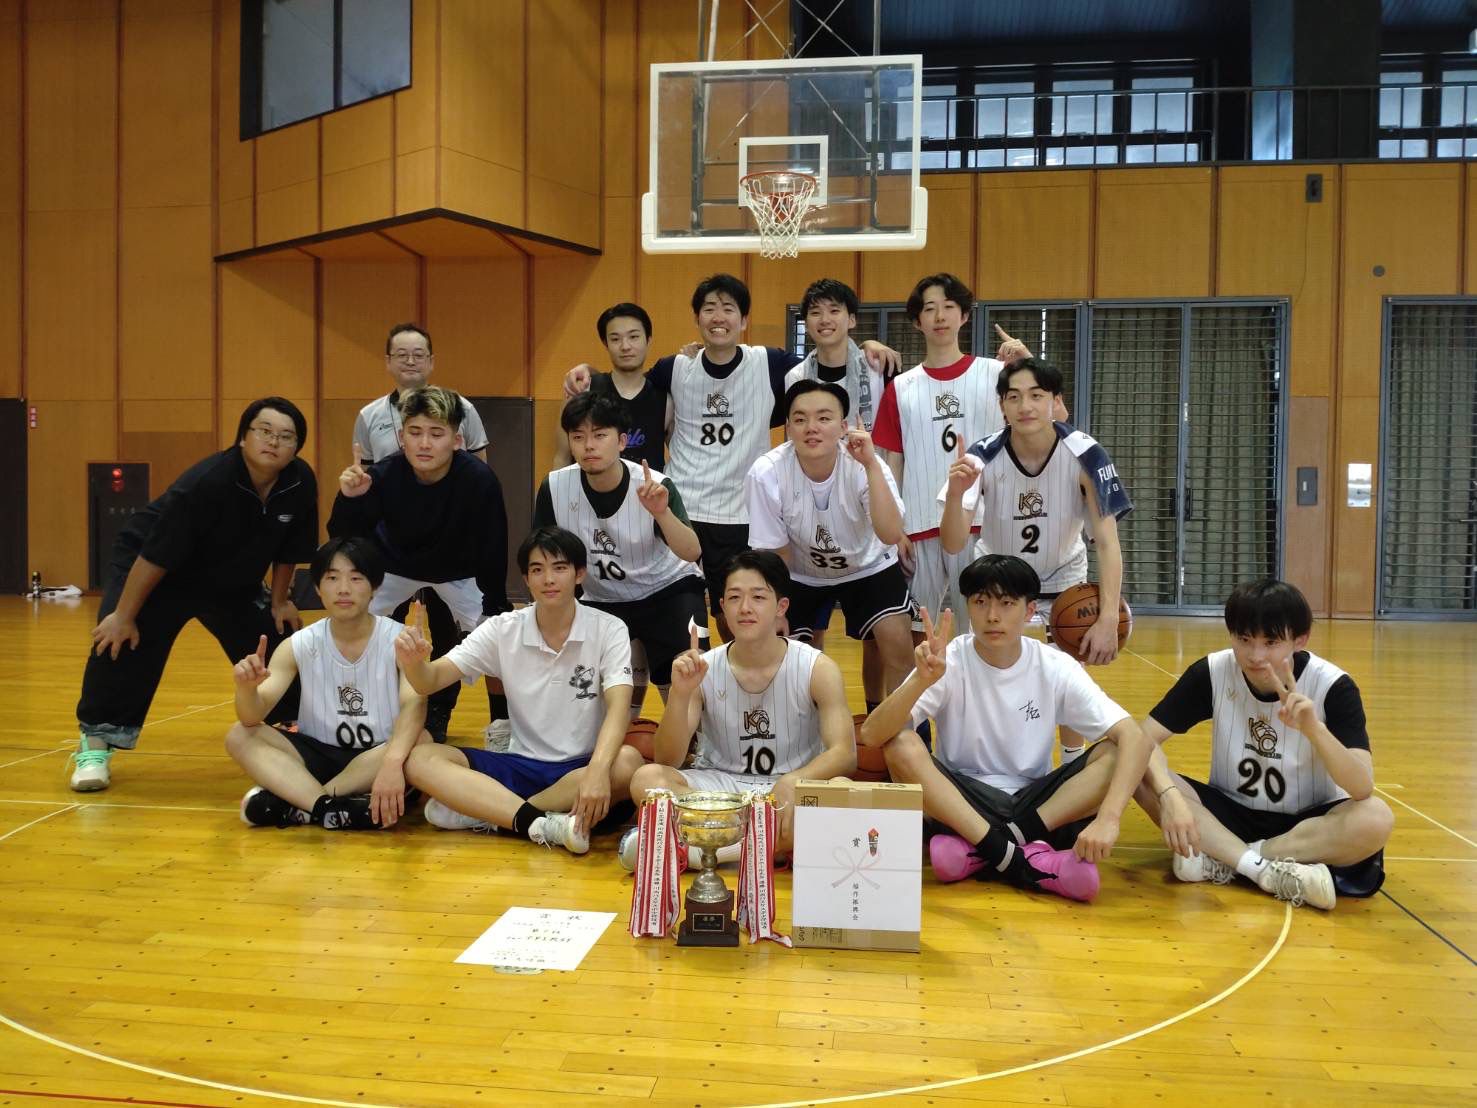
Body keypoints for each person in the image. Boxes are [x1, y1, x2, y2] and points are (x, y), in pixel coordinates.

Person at [564, 274, 900, 640]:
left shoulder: (770, 364)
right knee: (685, 618)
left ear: (744, 321)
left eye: (728, 309)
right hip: (684, 511)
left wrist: (866, 346)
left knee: (738, 617)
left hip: (741, 514)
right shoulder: (675, 367)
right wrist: (589, 374)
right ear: (697, 319)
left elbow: (827, 361)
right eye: (709, 309)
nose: (718, 316)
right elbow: (628, 386)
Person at [859, 555, 1152, 903]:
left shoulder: (1054, 665)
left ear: (1029, 612)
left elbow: (1134, 737)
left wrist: (1109, 819)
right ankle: (1028, 858)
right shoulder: (949, 659)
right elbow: (872, 735)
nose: (992, 616)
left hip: (1035, 804)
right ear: (968, 607)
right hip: (963, 799)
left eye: (1007, 603)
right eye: (981, 603)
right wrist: (919, 682)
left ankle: (985, 850)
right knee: (901, 744)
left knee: (1115, 753)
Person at [71, 398, 318, 791]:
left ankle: (291, 726)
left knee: (271, 638)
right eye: (264, 431)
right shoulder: (208, 481)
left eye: (285, 436)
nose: (273, 441)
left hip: (230, 579)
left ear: (296, 448)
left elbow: (291, 547)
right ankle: (96, 742)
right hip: (161, 570)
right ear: (243, 437)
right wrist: (124, 614)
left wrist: (280, 600)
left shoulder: (299, 482)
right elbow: (157, 553)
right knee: (120, 640)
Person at [1133, 579, 1394, 910]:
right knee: (1138, 770)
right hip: (1230, 811)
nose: (1255, 656)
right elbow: (1142, 740)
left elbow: (1361, 786)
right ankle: (1263, 869)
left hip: (1307, 826)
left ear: (1299, 640)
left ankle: (1230, 860)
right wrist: (1170, 798)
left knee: (1375, 817)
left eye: (1271, 642)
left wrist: (1314, 730)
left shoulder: (1334, 687)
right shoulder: (1212, 672)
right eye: (1244, 640)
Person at [396, 527, 642, 854]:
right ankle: (536, 821)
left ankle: (493, 813)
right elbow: (429, 680)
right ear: (526, 579)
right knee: (420, 759)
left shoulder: (608, 628)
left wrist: (597, 771)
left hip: (580, 767)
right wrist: (413, 663)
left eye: (559, 568)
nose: (548, 579)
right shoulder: (502, 629)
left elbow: (619, 707)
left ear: (579, 574)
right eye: (537, 570)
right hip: (519, 763)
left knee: (628, 762)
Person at [621, 551, 856, 869]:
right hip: (719, 787)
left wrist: (795, 780)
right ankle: (772, 847)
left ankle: (693, 852)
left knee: (843, 794)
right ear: (722, 607)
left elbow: (844, 753)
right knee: (646, 780)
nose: (745, 608)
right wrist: (680, 694)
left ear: (781, 607)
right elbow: (667, 759)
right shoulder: (702, 667)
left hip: (788, 786)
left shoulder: (817, 667)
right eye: (734, 597)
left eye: (758, 597)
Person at [329, 386, 510, 741]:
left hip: (459, 571)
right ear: (401, 437)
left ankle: (503, 725)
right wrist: (349, 499)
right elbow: (343, 537)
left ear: (457, 440)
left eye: (436, 433)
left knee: (501, 636)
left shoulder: (479, 480)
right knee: (350, 626)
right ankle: (352, 714)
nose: (424, 443)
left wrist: (495, 604)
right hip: (395, 566)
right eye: (415, 432)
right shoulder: (382, 475)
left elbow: (493, 545)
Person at [225, 537, 431, 830]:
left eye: (356, 578)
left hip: (377, 754)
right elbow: (250, 716)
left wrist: (392, 762)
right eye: (332, 578)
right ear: (319, 588)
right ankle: (330, 808)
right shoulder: (299, 644)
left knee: (420, 741)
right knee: (239, 735)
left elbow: (415, 703)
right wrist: (246, 689)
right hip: (316, 753)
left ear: (374, 588)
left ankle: (301, 802)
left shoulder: (399, 639)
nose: (343, 589)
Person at [869, 274, 1037, 634]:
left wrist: (1028, 362)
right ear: (918, 321)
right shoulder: (901, 387)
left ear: (964, 316)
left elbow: (1048, 418)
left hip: (981, 524)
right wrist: (897, 529)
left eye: (949, 307)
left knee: (981, 628)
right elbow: (893, 462)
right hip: (918, 528)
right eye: (930, 309)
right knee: (917, 631)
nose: (940, 316)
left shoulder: (996, 374)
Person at [535, 391, 706, 716]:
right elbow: (543, 560)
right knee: (590, 702)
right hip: (603, 599)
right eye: (578, 437)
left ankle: (694, 743)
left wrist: (661, 513)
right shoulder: (555, 488)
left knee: (690, 676)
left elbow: (692, 551)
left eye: (599, 435)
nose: (589, 446)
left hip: (668, 590)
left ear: (622, 441)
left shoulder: (656, 484)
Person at [745, 380, 915, 699]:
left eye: (824, 418)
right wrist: (776, 612)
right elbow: (775, 553)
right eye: (800, 419)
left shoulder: (865, 464)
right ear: (788, 428)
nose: (811, 427)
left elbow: (891, 534)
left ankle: (897, 730)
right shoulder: (766, 472)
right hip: (800, 572)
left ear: (843, 426)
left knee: (896, 643)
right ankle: (810, 731)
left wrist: (870, 465)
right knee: (793, 654)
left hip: (869, 565)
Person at [552, 303, 667, 472]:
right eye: (615, 339)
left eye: (634, 337)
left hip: (649, 495)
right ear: (605, 343)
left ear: (648, 340)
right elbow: (562, 456)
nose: (625, 346)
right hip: (591, 495)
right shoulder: (582, 391)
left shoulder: (666, 397)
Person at [352, 323, 489, 462]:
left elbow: (480, 467)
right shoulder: (368, 416)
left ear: (431, 361)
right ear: (388, 361)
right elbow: (366, 475)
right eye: (402, 355)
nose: (410, 361)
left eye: (418, 355)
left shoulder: (461, 407)